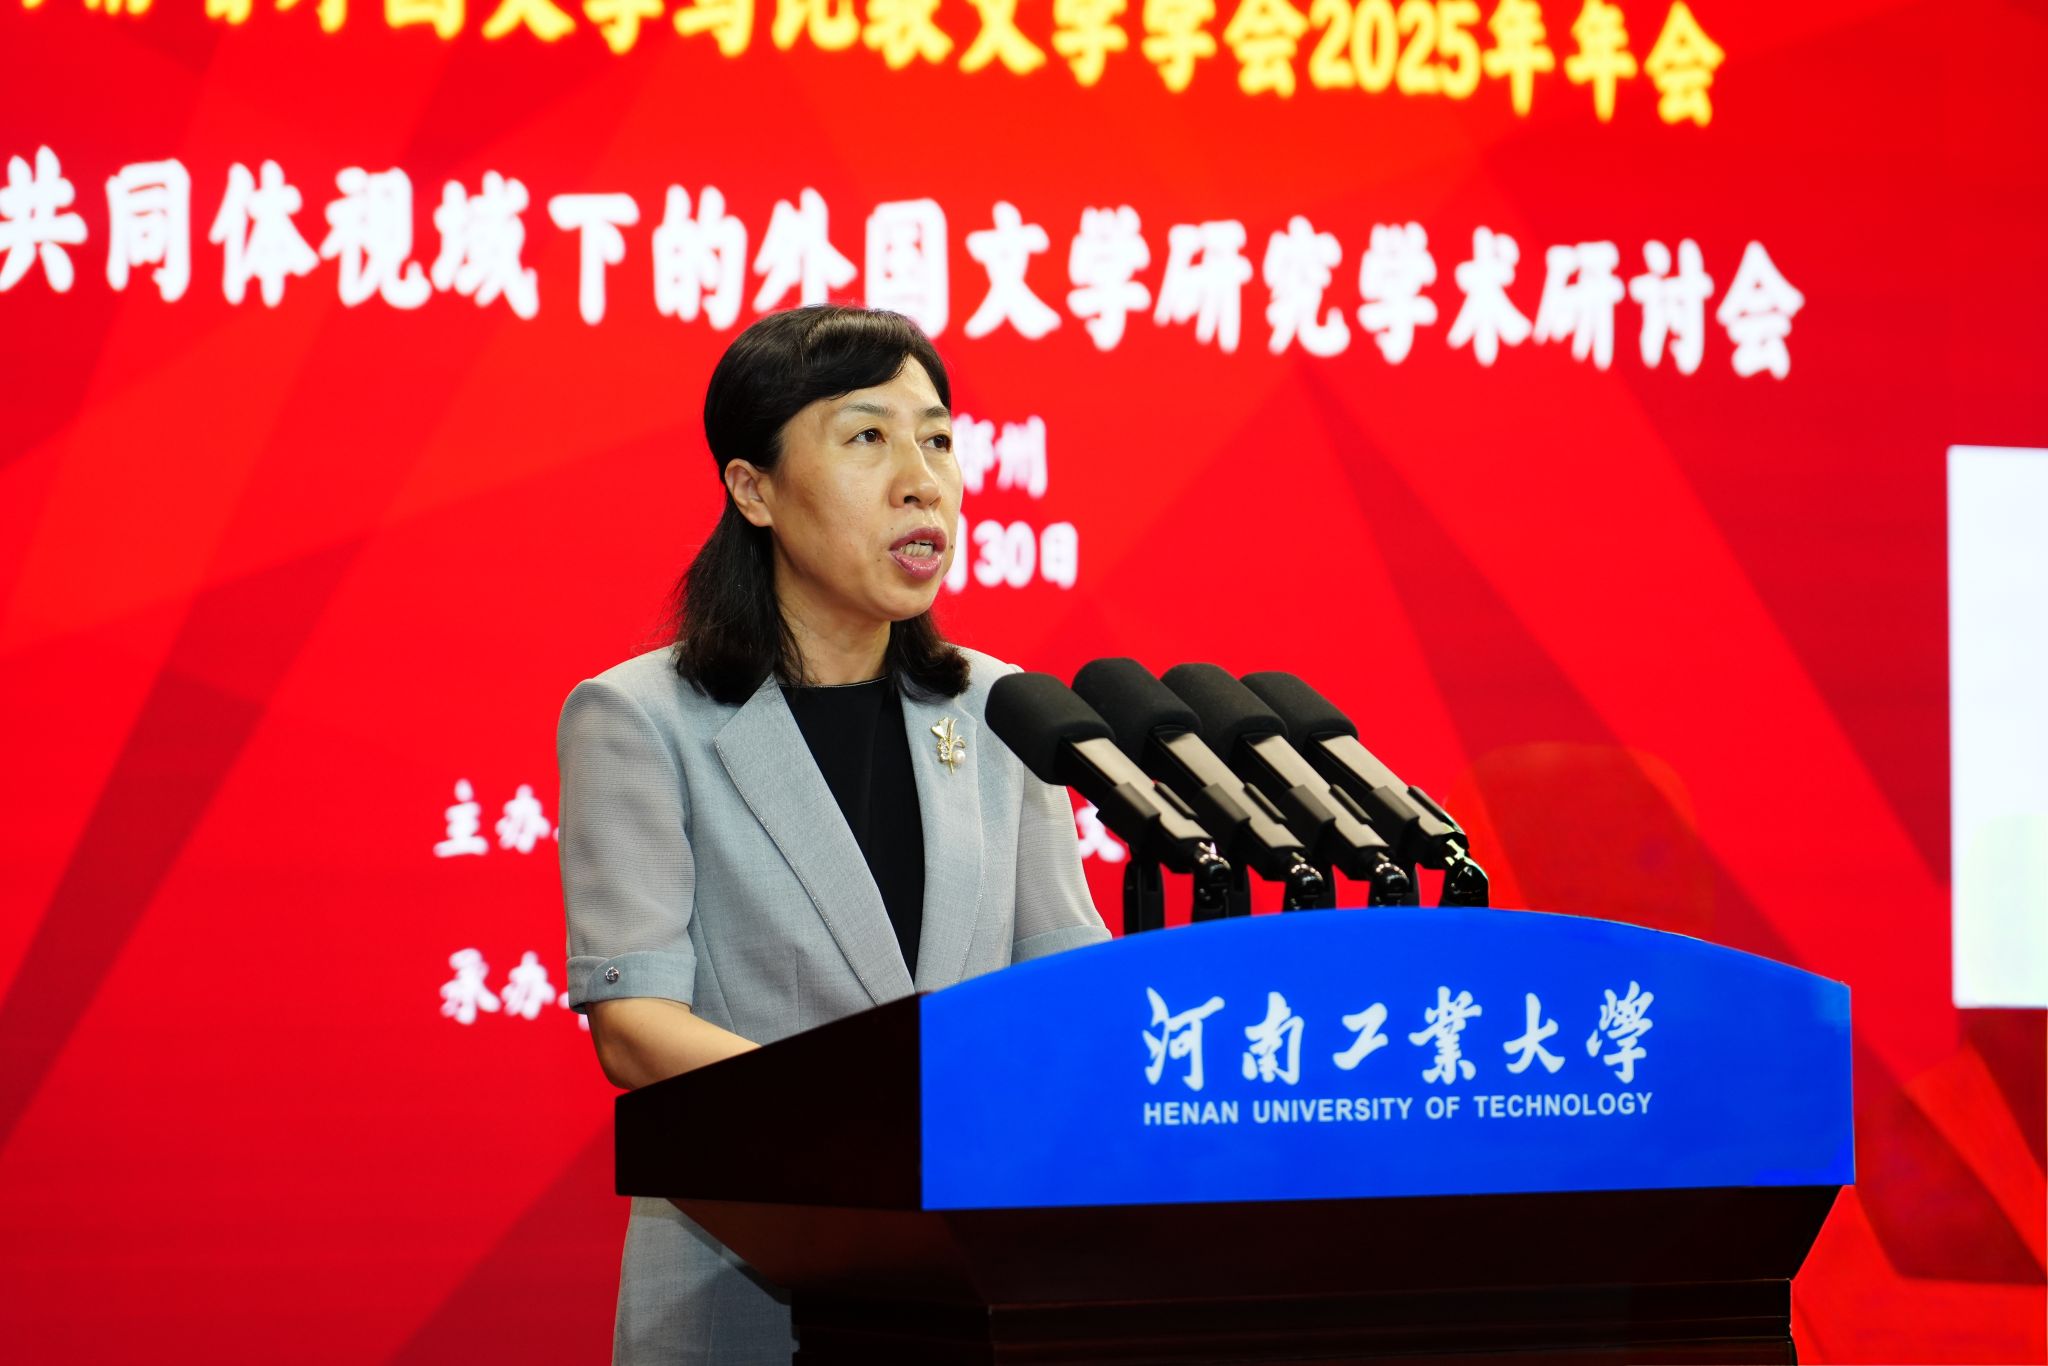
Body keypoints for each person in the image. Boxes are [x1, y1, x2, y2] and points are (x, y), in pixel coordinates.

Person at [556, 304, 1109, 1363]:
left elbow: (1062, 987)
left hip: (981, 1288)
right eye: (867, 437)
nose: (922, 480)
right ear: (753, 489)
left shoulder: (998, 709)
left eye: (937, 439)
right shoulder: (641, 719)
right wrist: (881, 1127)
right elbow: (635, 1029)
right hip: (748, 1285)